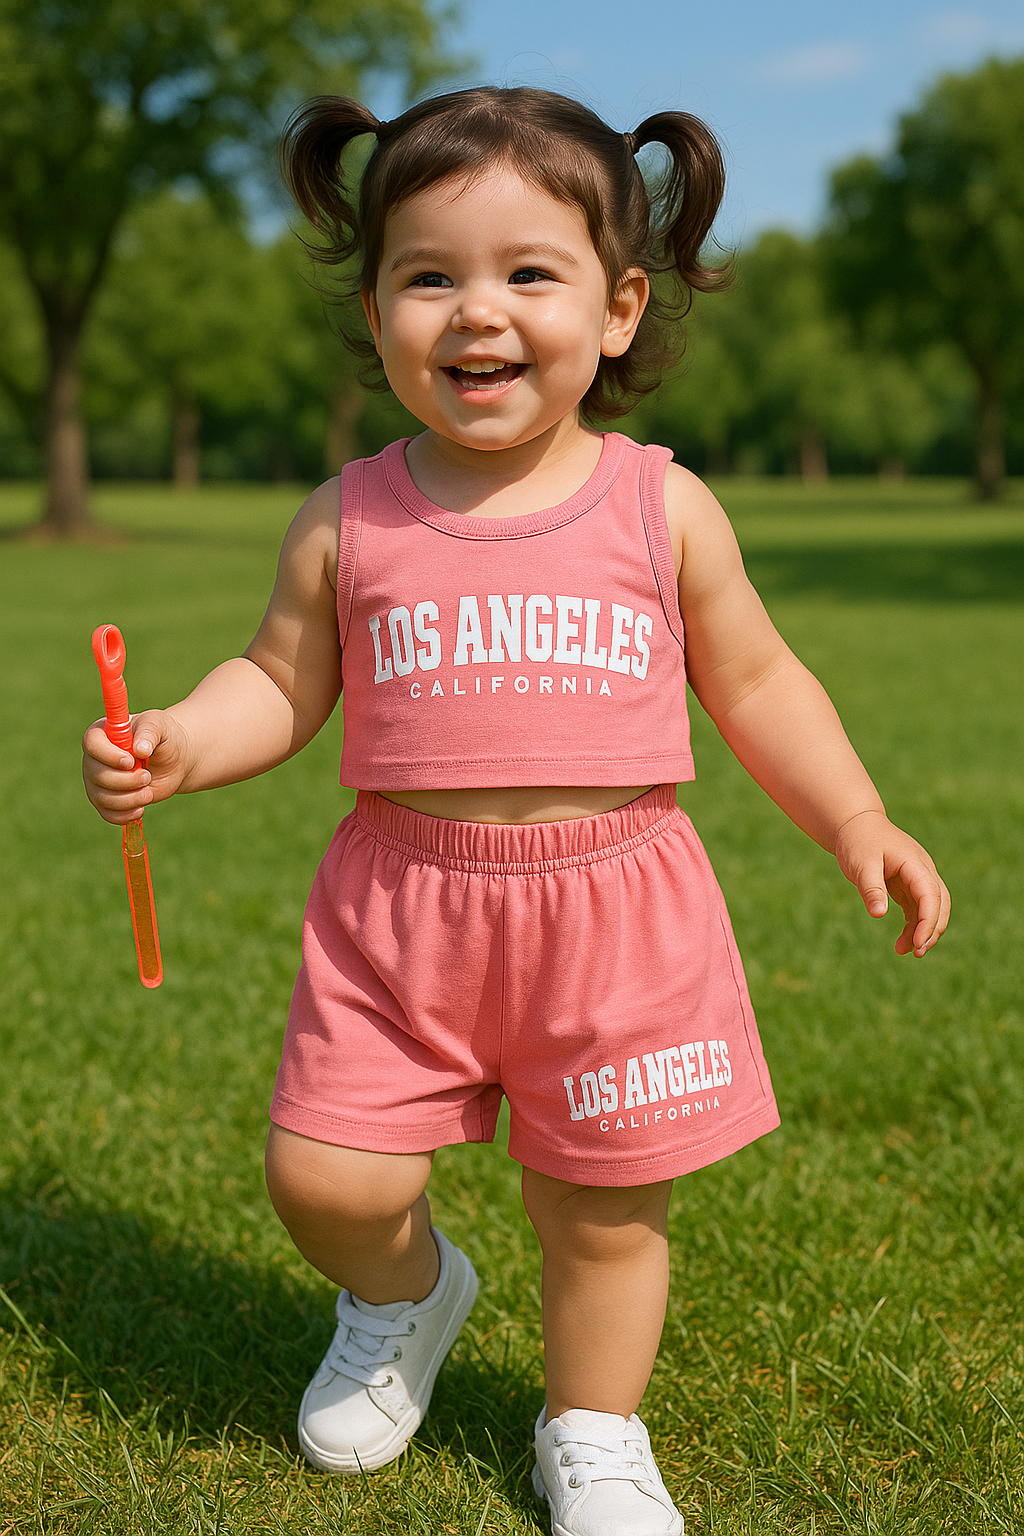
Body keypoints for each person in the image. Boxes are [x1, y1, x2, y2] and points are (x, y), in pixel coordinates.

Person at [82, 86, 950, 1536]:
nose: (477, 311)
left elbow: (758, 681)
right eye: (429, 276)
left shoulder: (661, 507)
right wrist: (179, 741)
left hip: (615, 915)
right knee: (325, 1173)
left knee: (603, 1212)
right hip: (400, 911)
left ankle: (592, 1426)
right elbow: (280, 682)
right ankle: (405, 1293)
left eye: (528, 273)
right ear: (376, 311)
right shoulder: (348, 517)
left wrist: (858, 816)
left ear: (618, 310)